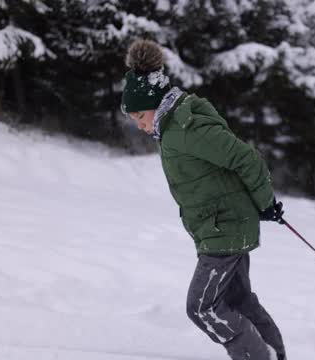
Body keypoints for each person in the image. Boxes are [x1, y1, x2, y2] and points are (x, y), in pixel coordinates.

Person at [120, 38, 287, 360]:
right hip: (224, 226)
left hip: (223, 231)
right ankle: (274, 355)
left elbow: (246, 159)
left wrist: (265, 202)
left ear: (155, 103)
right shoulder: (173, 128)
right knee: (238, 300)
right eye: (134, 120)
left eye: (140, 116)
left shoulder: (187, 129)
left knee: (202, 308)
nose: (140, 125)